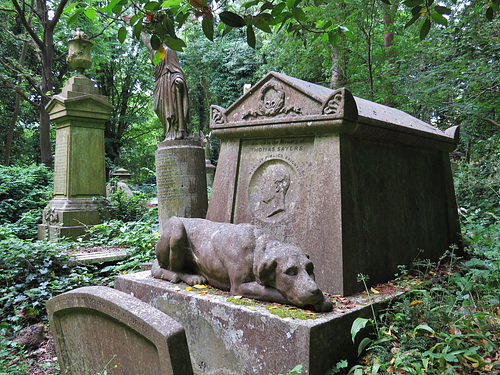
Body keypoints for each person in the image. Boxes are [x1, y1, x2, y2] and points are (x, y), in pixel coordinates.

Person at [143, 33, 190, 140]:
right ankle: (168, 132)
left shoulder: (169, 50)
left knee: (172, 108)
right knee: (157, 107)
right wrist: (141, 26)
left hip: (170, 82)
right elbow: (146, 42)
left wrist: (179, 80)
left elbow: (176, 68)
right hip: (160, 84)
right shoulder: (155, 52)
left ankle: (177, 130)